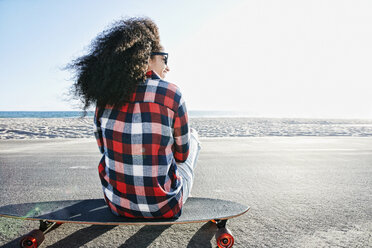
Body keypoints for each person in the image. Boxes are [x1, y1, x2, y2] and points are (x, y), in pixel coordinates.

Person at [68, 17, 201, 218]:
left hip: (117, 206)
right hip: (165, 207)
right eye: (164, 58)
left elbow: (105, 149)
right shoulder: (172, 94)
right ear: (146, 58)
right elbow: (182, 156)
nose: (167, 67)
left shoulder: (105, 98)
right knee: (192, 136)